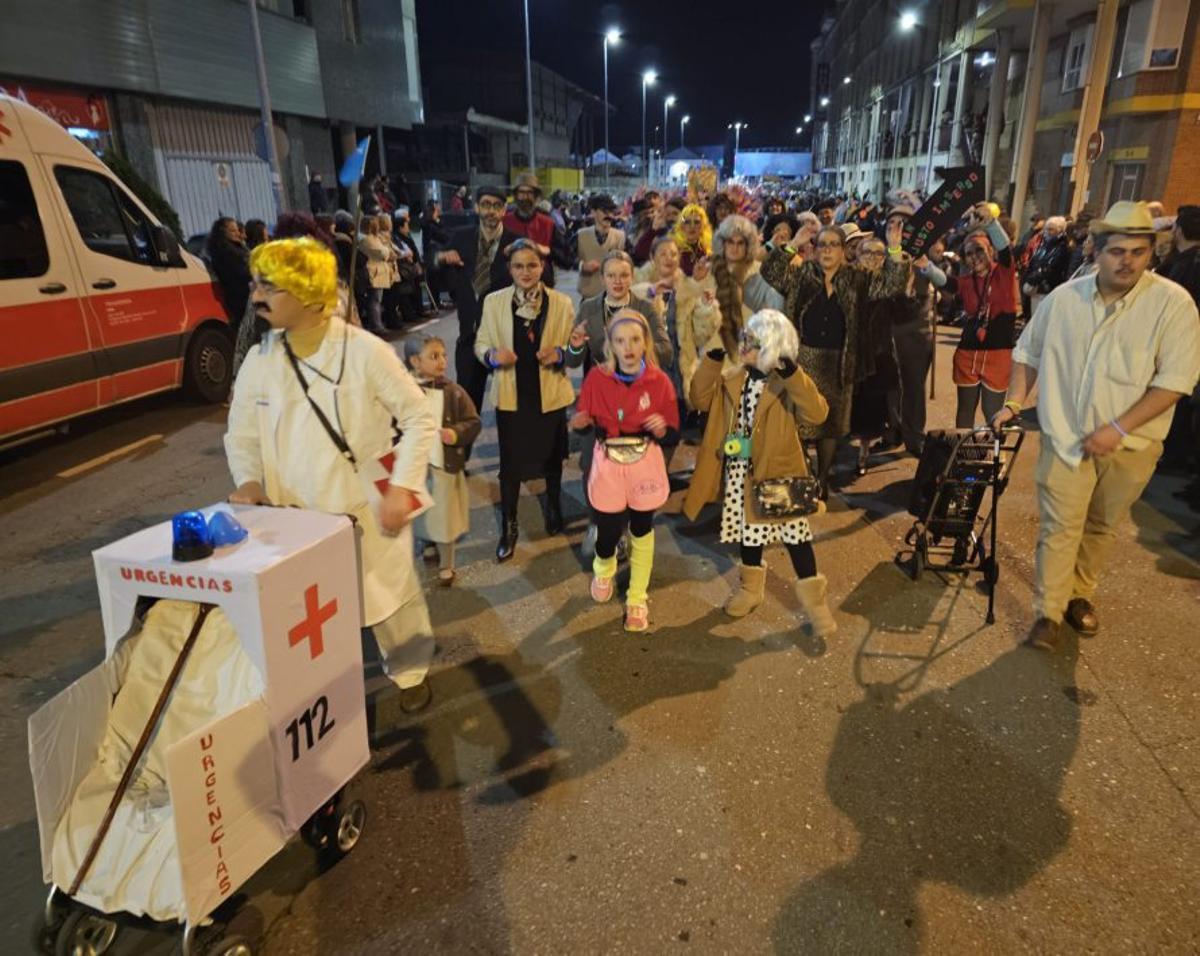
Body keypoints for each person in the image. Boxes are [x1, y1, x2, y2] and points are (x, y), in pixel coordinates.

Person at [225, 238, 438, 708]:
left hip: (363, 511)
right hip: (293, 527)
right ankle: (324, 702)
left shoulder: (365, 352)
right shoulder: (259, 361)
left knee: (390, 601)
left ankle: (411, 670)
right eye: (255, 284)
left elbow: (419, 416)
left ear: (306, 293)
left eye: (270, 286)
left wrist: (402, 485)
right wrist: (249, 480)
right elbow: (241, 434)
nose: (256, 295)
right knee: (310, 619)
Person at [991, 201, 1200, 651]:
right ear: (1096, 250)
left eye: (1138, 252)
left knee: (1102, 525)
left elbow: (1175, 382)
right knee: (1059, 526)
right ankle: (1048, 612)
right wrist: (1012, 403)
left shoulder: (1173, 305)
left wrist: (1119, 429)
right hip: (1065, 438)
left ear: (1151, 253)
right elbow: (1028, 353)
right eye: (1117, 251)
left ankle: (1078, 593)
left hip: (1134, 446)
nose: (1127, 261)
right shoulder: (1064, 300)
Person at [683, 309, 837, 636]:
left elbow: (818, 413)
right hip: (741, 469)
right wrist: (711, 360)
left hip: (779, 472)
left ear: (770, 347)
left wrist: (793, 373)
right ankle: (751, 590)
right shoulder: (731, 377)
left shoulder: (786, 384)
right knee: (748, 535)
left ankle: (816, 604)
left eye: (752, 341)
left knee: (796, 539)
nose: (743, 345)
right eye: (744, 338)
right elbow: (698, 399)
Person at [761, 220, 909, 498]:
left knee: (830, 426)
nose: (827, 250)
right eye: (822, 244)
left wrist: (895, 249)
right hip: (803, 360)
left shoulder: (858, 279)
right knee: (800, 423)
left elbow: (892, 285)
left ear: (844, 250)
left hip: (840, 363)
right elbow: (770, 272)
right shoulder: (803, 274)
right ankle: (801, 474)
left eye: (834, 245)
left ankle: (822, 479)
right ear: (814, 250)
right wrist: (793, 245)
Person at [571, 310, 678, 631]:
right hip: (609, 463)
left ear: (645, 342)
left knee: (642, 530)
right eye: (620, 341)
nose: (628, 347)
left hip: (644, 461)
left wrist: (663, 428)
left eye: (634, 340)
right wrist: (580, 423)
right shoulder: (597, 378)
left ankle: (636, 597)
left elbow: (673, 431)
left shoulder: (659, 381)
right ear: (611, 346)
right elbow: (583, 419)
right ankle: (604, 565)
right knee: (608, 532)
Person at [475, 240, 577, 562]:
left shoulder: (561, 303)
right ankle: (509, 525)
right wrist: (492, 355)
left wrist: (561, 353)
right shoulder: (493, 302)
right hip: (512, 396)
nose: (526, 272)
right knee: (510, 466)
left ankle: (553, 505)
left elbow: (574, 351)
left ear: (542, 267)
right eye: (518, 266)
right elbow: (480, 343)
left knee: (551, 458)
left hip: (549, 394)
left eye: (532, 265)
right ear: (510, 269)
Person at [430, 186, 520, 414]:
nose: (491, 211)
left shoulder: (516, 243)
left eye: (497, 206)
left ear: (504, 210)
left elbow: (542, 276)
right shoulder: (461, 237)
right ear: (477, 207)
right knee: (465, 411)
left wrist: (527, 255)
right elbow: (430, 263)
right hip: (469, 337)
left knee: (510, 410)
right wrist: (441, 258)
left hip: (505, 340)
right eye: (486, 205)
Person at [405, 335, 481, 586]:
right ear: (415, 361)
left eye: (443, 355)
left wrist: (456, 433)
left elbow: (473, 421)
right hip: (417, 466)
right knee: (422, 511)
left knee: (445, 516)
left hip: (444, 467)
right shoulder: (404, 392)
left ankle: (446, 563)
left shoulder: (453, 392)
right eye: (434, 356)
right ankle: (427, 544)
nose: (442, 362)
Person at [942, 203, 1018, 428]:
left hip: (998, 353)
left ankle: (996, 457)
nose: (974, 257)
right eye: (968, 253)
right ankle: (962, 452)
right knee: (965, 409)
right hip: (968, 353)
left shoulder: (1003, 272)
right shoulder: (967, 281)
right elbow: (946, 283)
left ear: (990, 251)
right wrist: (926, 266)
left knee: (992, 411)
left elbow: (1006, 251)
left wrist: (990, 223)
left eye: (979, 250)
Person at [634, 235, 719, 416]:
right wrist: (651, 292)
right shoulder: (638, 284)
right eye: (663, 254)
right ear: (652, 258)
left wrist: (705, 307)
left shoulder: (689, 288)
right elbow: (627, 304)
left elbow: (701, 336)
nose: (669, 258)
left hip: (679, 374)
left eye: (673, 254)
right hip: (647, 371)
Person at [504, 172, 558, 287]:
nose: (525, 197)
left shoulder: (548, 223)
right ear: (516, 195)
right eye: (521, 192)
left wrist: (545, 249)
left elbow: (565, 259)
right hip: (510, 287)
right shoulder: (504, 221)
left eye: (529, 193)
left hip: (543, 285)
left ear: (536, 196)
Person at [575, 195, 629, 300]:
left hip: (614, 297)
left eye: (611, 211)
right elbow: (566, 257)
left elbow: (633, 260)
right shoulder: (581, 235)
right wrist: (582, 266)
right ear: (594, 212)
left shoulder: (621, 237)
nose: (609, 215)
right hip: (588, 295)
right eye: (604, 211)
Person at [206, 217, 251, 334]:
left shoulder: (237, 247)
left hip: (245, 295)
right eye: (232, 231)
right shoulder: (225, 252)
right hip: (239, 297)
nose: (237, 234)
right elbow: (242, 273)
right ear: (222, 233)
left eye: (237, 230)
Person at [1022, 215, 1071, 314]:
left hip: (1046, 289)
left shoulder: (1062, 248)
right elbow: (1034, 261)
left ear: (1060, 231)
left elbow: (1051, 267)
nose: (1047, 232)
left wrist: (1032, 279)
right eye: (1046, 229)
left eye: (1051, 229)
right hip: (1037, 288)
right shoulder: (1044, 244)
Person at [358, 216, 395, 334]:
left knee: (377, 300)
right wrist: (388, 253)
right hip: (374, 272)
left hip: (380, 272)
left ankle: (377, 323)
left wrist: (387, 252)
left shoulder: (374, 238)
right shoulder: (365, 239)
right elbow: (381, 252)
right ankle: (376, 325)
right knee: (374, 300)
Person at [671, 203, 712, 278]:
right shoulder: (673, 248)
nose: (692, 226)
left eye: (696, 222)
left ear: (702, 226)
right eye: (687, 222)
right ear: (681, 226)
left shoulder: (708, 249)